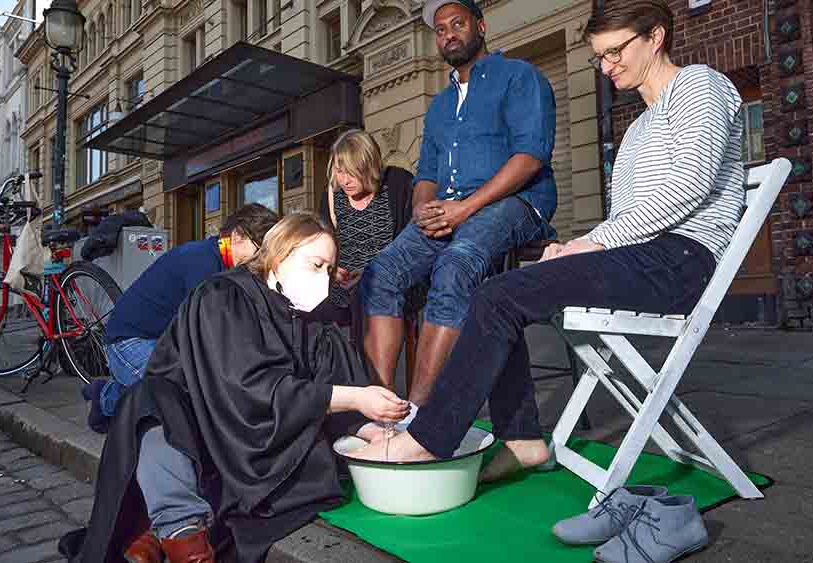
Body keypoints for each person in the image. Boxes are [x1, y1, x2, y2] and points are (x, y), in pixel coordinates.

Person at [352, 0, 745, 488]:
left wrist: (588, 245)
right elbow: (628, 219)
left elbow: (688, 186)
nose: (607, 66)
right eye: (599, 57)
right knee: (496, 294)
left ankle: (428, 437)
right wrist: (579, 247)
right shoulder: (640, 125)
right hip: (642, 255)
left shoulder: (699, 85)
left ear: (656, 37)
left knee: (496, 295)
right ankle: (523, 441)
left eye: (615, 52)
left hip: (682, 259)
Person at [59, 212, 409, 563]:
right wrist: (354, 398)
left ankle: (155, 534)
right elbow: (244, 389)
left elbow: (338, 381)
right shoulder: (223, 296)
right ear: (279, 254)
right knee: (153, 406)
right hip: (201, 429)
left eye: (329, 271)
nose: (323, 279)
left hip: (259, 445)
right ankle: (182, 537)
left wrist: (372, 427)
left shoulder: (312, 319)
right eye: (315, 264)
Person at [359, 0, 557, 406]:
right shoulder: (439, 106)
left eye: (457, 24)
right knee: (382, 271)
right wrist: (422, 209)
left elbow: (530, 156)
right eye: (440, 29)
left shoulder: (519, 77)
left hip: (517, 204)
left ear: (480, 26)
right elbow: (427, 175)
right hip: (450, 210)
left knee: (455, 266)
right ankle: (380, 407)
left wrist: (466, 208)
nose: (447, 34)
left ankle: (420, 417)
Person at [83, 204, 279, 431]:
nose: (261, 262)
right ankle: (105, 397)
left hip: (161, 342)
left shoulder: (223, 261)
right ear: (237, 236)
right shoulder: (201, 262)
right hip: (127, 343)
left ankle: (120, 390)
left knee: (189, 386)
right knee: (180, 391)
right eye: (259, 251)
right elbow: (208, 334)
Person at [309, 129, 420, 356]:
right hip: (342, 285)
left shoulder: (398, 184)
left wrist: (371, 271)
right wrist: (331, 270)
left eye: (353, 172)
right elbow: (321, 244)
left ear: (369, 166)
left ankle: (373, 383)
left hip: (391, 281)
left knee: (366, 293)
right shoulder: (333, 194)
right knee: (305, 311)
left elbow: (412, 244)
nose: (345, 180)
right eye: (340, 172)